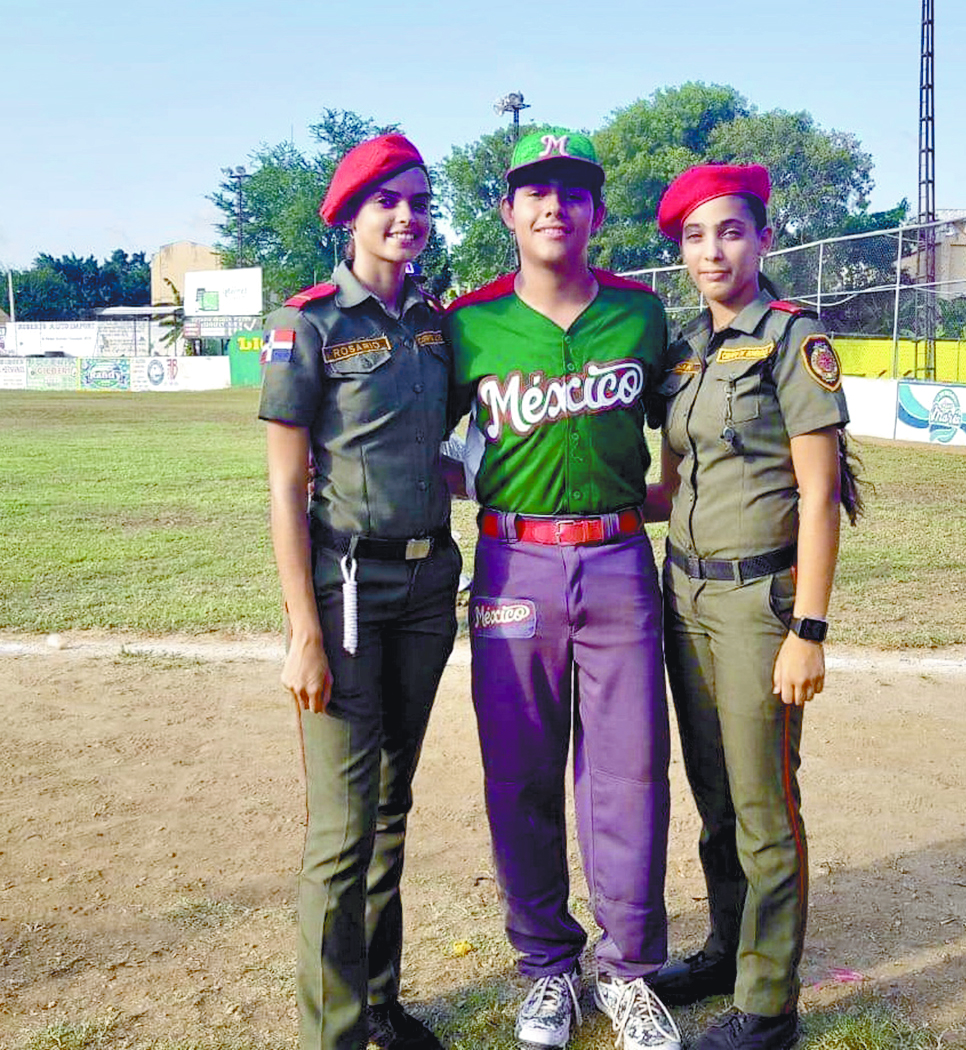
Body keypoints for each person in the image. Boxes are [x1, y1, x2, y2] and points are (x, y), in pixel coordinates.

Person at [444, 128, 681, 1050]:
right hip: (513, 565)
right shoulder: (469, 323)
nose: (554, 206)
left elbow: (684, 430)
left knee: (630, 774)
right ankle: (547, 968)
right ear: (508, 211)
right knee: (520, 772)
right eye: (536, 192)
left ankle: (629, 974)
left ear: (597, 212)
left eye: (573, 192)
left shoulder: (639, 315)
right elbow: (427, 440)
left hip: (619, 560)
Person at [642, 163, 862, 1050]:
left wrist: (808, 628)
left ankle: (768, 1008)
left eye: (730, 231)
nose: (712, 251)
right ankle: (727, 950)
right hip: (683, 591)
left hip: (757, 602)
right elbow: (670, 488)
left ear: (763, 238)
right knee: (713, 792)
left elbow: (820, 494)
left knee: (764, 804)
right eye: (695, 237)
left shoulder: (793, 338)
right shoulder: (686, 352)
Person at [259, 133, 461, 1050]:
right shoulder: (308, 324)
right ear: (349, 215)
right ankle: (332, 1035)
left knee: (391, 804)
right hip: (345, 591)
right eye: (387, 200)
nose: (406, 216)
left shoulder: (435, 322)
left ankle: (379, 1002)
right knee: (342, 832)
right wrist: (303, 631)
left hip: (428, 585)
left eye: (419, 201)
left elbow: (449, 443)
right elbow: (285, 489)